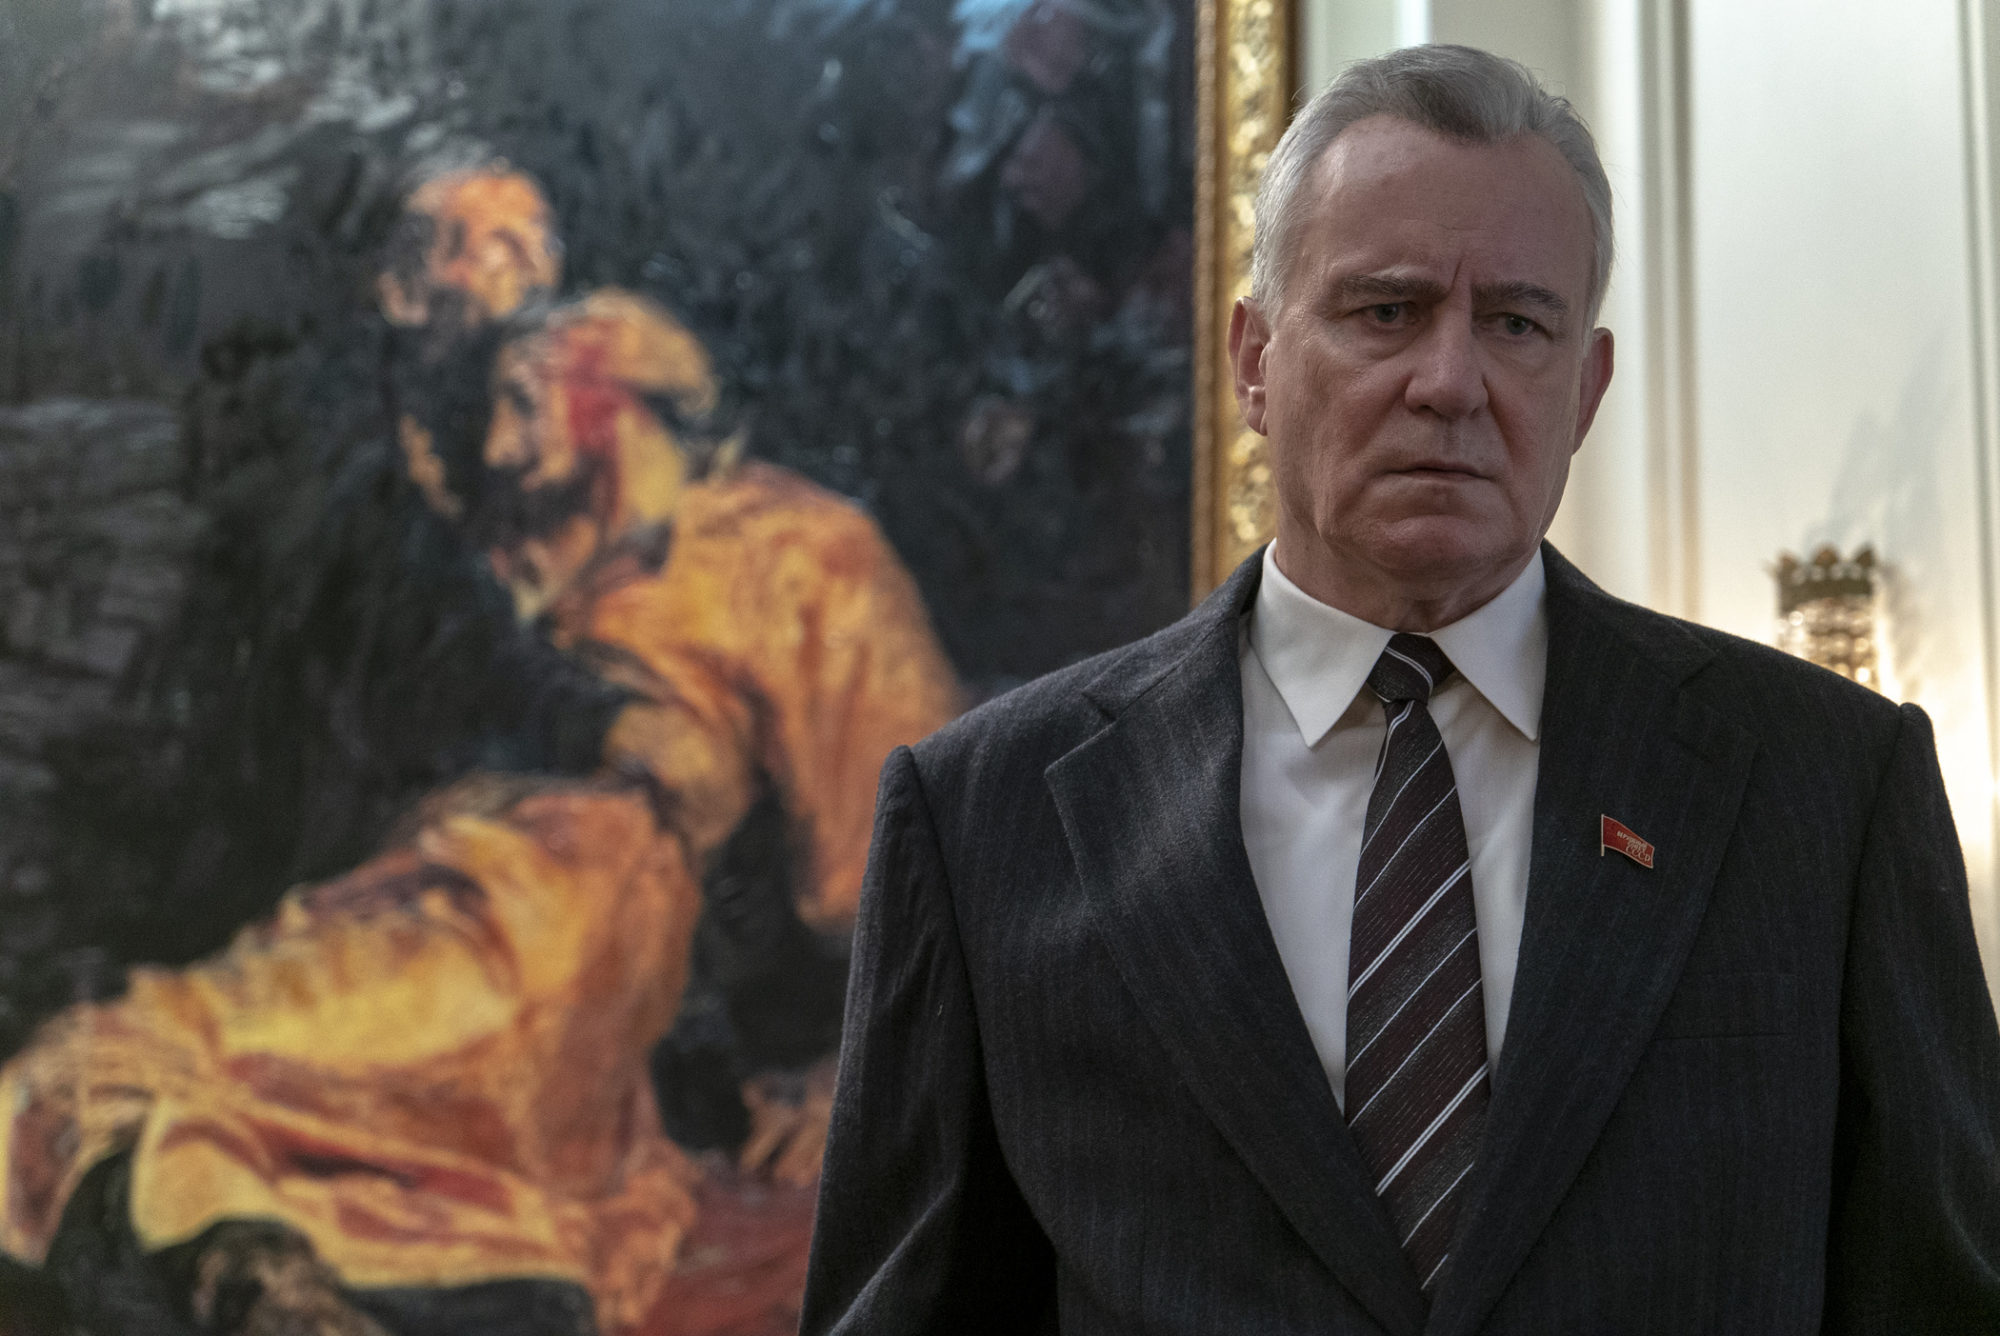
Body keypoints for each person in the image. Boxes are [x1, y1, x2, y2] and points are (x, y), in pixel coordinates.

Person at [802, 44, 2000, 1334]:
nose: (1449, 381)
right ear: (1252, 359)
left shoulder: (1822, 785)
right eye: (1384, 310)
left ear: (1584, 389)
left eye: (1515, 324)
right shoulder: (990, 817)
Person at [0, 261, 962, 1331]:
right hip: (447, 865)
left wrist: (854, 1072)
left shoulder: (803, 550)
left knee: (268, 1051)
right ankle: (226, 1241)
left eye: (523, 402)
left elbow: (904, 851)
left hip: (572, 922)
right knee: (236, 1026)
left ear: (618, 396)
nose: (501, 445)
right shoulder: (531, 552)